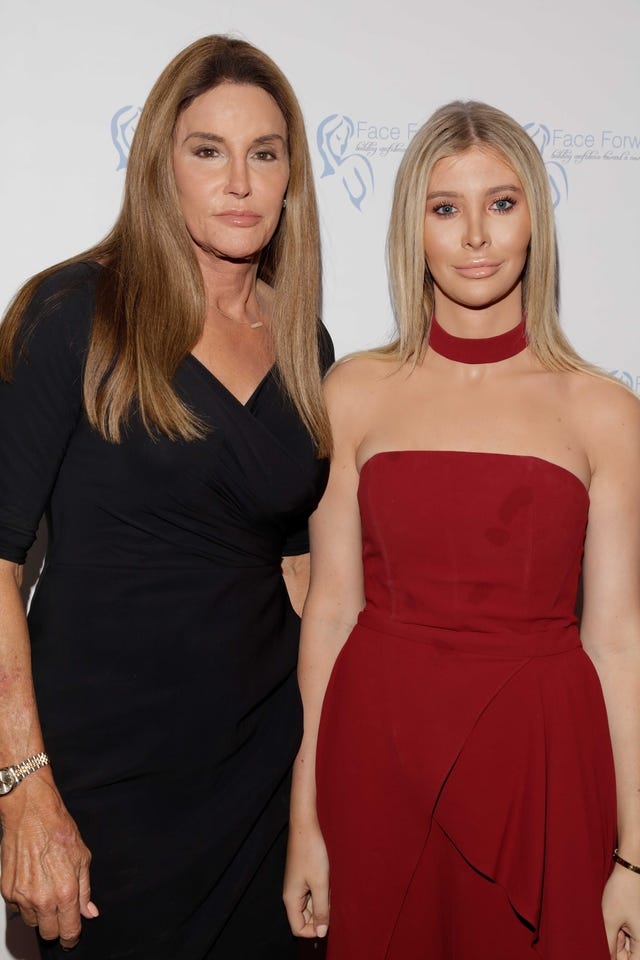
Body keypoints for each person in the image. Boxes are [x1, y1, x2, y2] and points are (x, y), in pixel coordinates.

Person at [0, 34, 333, 960]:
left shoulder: (308, 345)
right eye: (208, 150)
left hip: (263, 780)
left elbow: (307, 580)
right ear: (160, 162)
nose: (240, 181)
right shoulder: (71, 313)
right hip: (103, 788)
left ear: (290, 176)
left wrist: (322, 794)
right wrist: (23, 789)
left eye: (265, 153)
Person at [283, 100, 640, 959]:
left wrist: (633, 854)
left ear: (536, 221)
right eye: (446, 208)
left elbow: (619, 641)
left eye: (502, 203)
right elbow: (329, 615)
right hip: (377, 763)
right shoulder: (353, 393)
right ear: (415, 229)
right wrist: (308, 820)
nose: (476, 235)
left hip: (545, 764)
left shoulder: (603, 410)